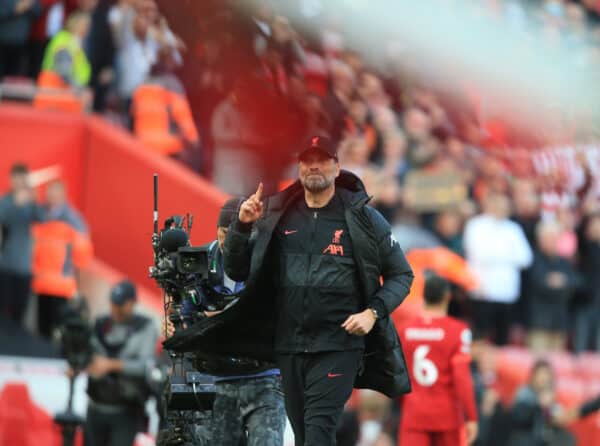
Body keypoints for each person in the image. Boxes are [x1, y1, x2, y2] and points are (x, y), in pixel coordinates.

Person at [222, 135, 414, 445]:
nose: (314, 167)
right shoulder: (276, 214)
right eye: (307, 162)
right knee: (303, 437)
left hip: (338, 346)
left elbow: (401, 274)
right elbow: (236, 270)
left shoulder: (363, 218)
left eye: (322, 161)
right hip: (289, 346)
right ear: (299, 168)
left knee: (318, 434)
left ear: (337, 168)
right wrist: (242, 227)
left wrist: (372, 313)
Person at [165, 198, 286, 446]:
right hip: (216, 378)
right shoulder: (197, 263)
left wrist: (224, 317)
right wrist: (176, 323)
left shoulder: (268, 261)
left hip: (263, 376)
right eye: (222, 233)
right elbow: (185, 315)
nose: (226, 241)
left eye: (234, 235)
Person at [397, 273, 478, 446]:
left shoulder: (404, 331)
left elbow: (394, 373)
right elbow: (461, 378)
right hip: (447, 416)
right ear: (447, 296)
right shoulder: (458, 331)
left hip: (414, 414)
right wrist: (471, 416)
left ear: (424, 296)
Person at [83, 280, 159, 446]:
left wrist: (110, 365)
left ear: (132, 302)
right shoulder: (101, 323)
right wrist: (87, 364)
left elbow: (146, 367)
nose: (115, 309)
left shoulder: (145, 327)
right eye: (113, 303)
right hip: (95, 407)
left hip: (125, 411)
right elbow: (87, 353)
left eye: (120, 304)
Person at [464, 192, 533, 345]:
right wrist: (508, 255)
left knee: (503, 340)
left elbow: (526, 258)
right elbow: (479, 254)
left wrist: (498, 255)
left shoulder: (513, 228)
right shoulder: (476, 225)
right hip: (482, 291)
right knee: (480, 337)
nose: (501, 208)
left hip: (507, 293)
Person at [32, 179, 93, 339]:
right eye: (49, 192)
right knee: (41, 328)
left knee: (59, 329)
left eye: (55, 192)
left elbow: (83, 254)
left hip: (61, 285)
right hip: (40, 282)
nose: (51, 196)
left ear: (63, 195)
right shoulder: (39, 215)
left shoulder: (73, 220)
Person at [0, 163, 45, 326]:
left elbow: (43, 218)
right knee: (4, 312)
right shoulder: (5, 201)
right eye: (15, 178)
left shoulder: (31, 203)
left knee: (20, 312)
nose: (18, 182)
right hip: (5, 266)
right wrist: (16, 205)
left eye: (22, 179)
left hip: (25, 267)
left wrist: (35, 200)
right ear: (11, 180)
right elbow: (3, 217)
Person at [508, 360, 575, 446]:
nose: (544, 378)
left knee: (567, 438)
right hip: (526, 436)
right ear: (533, 376)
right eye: (541, 374)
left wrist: (555, 413)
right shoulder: (524, 393)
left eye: (546, 375)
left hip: (545, 437)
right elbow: (519, 418)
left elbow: (554, 421)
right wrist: (538, 405)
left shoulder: (550, 397)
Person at [40, 10, 92, 88]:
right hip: (56, 89)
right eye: (85, 25)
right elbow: (64, 71)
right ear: (75, 24)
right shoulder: (64, 41)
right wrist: (78, 88)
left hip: (63, 89)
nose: (87, 29)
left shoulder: (74, 42)